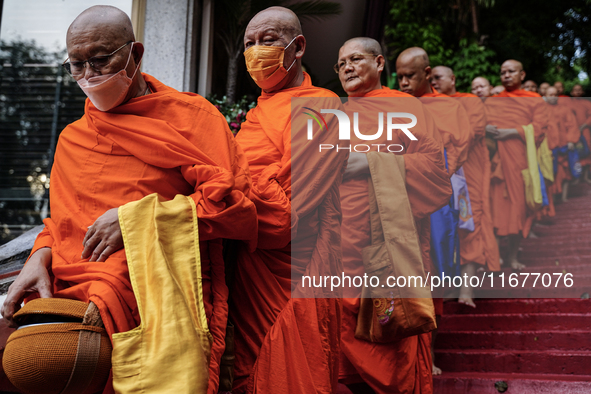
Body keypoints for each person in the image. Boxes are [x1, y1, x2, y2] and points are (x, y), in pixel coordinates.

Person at [0, 6, 258, 393]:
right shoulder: (73, 137)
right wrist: (39, 254)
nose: (89, 75)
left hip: (150, 286)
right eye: (77, 65)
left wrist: (136, 221)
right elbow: (63, 222)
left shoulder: (192, 118)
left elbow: (235, 209)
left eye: (101, 60)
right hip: (70, 285)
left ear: (135, 54)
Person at [228, 7, 348, 394]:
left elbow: (288, 213)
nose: (256, 51)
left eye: (268, 40)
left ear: (297, 48)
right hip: (250, 267)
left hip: (295, 265)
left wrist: (227, 190)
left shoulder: (321, 105)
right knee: (250, 367)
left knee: (293, 372)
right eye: (249, 44)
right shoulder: (259, 112)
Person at [335, 37, 451, 393]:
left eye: (355, 59)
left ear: (380, 62)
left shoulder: (407, 108)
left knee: (393, 329)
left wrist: (372, 163)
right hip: (342, 245)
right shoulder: (333, 113)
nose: (347, 68)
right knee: (340, 341)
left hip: (392, 240)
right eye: (340, 65)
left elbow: (435, 173)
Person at [396, 48, 472, 376]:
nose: (402, 83)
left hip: (437, 200)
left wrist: (433, 178)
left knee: (434, 271)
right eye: (398, 77)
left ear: (427, 74)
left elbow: (457, 149)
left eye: (409, 76)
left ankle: (429, 353)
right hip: (398, 197)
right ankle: (403, 353)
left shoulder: (449, 107)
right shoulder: (395, 106)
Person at [431, 66, 501, 308]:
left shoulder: (469, 101)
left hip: (468, 172)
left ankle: (466, 290)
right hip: (437, 172)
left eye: (438, 78)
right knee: (443, 229)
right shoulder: (428, 103)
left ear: (453, 79)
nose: (434, 82)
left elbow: (471, 133)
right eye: (430, 79)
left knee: (469, 224)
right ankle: (449, 287)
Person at [484, 60, 547, 270]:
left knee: (518, 209)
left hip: (520, 162)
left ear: (522, 75)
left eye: (511, 72)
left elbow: (539, 129)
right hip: (495, 162)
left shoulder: (534, 100)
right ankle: (494, 256)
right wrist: (487, 128)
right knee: (493, 209)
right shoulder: (493, 101)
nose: (506, 75)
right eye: (502, 72)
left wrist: (511, 132)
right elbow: (479, 123)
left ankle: (511, 257)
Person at [545, 86, 581, 202]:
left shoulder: (565, 109)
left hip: (563, 144)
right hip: (548, 145)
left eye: (555, 95)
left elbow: (572, 125)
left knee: (565, 171)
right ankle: (553, 199)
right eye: (550, 95)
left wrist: (571, 140)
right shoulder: (541, 109)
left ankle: (564, 197)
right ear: (545, 96)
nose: (553, 97)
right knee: (551, 172)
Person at [569, 84, 591, 183]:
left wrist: (584, 125)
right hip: (572, 131)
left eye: (579, 90)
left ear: (582, 92)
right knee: (575, 152)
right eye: (575, 90)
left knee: (587, 151)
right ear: (571, 93)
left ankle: (586, 176)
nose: (577, 92)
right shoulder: (568, 104)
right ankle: (576, 177)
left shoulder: (587, 103)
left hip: (585, 130)